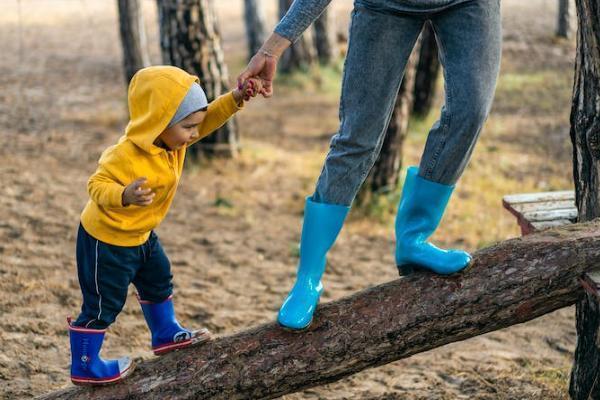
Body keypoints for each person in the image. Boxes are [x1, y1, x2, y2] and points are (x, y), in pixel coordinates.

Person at [239, 0, 502, 330]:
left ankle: (414, 239)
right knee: (357, 139)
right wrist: (273, 47)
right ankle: (308, 279)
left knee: (470, 113)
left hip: (467, 4)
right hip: (385, 6)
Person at [68, 65, 262, 385]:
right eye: (188, 127)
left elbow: (208, 118)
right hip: (107, 240)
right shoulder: (125, 154)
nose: (194, 134)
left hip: (142, 235)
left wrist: (236, 98)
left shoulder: (174, 140)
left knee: (159, 278)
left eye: (194, 126)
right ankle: (85, 364)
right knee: (105, 303)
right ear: (159, 122)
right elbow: (96, 184)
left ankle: (165, 333)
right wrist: (123, 195)